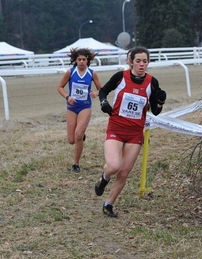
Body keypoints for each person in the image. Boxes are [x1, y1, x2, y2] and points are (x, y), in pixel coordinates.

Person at [94, 46, 167, 218]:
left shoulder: (152, 82)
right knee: (113, 166)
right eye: (138, 61)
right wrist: (104, 102)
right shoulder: (121, 77)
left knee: (124, 172)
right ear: (130, 61)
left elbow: (155, 112)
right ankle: (104, 178)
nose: (142, 64)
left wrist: (161, 103)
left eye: (145, 61)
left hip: (135, 133)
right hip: (116, 127)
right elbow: (103, 90)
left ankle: (108, 204)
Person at [57, 48, 102, 173]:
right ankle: (80, 136)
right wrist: (67, 96)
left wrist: (96, 93)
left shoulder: (92, 73)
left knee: (78, 136)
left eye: (84, 59)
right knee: (71, 140)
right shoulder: (70, 72)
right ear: (75, 60)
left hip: (85, 107)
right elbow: (60, 86)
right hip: (71, 108)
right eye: (79, 59)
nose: (81, 62)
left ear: (87, 60)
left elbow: (101, 89)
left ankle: (76, 164)